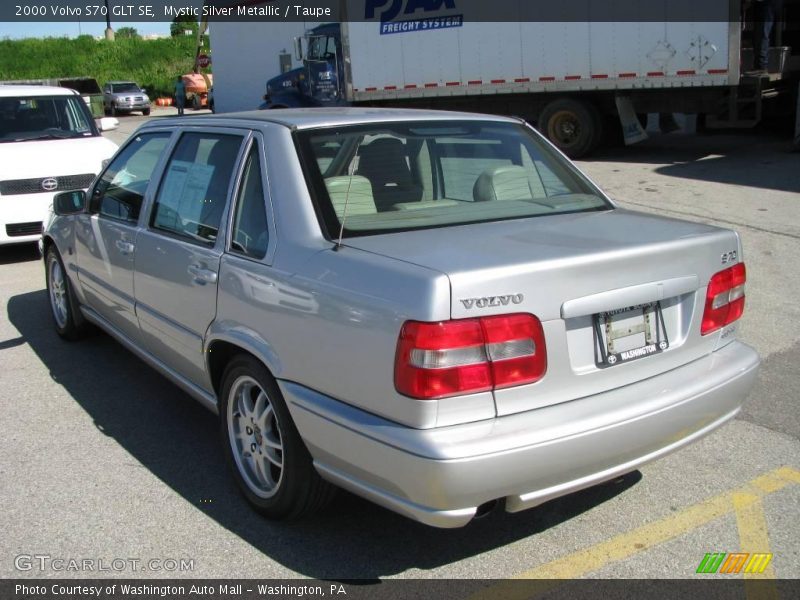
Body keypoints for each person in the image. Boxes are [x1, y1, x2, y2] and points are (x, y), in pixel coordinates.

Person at [751, 0, 783, 75]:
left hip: (766, 3)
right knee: (762, 33)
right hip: (767, 4)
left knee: (762, 32)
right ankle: (760, 65)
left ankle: (761, 66)